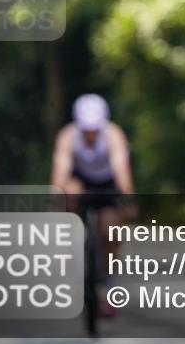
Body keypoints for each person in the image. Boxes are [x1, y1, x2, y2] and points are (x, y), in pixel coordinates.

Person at [51, 93, 135, 314]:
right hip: (81, 181)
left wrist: (126, 198)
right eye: (86, 129)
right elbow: (60, 172)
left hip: (106, 182)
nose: (90, 134)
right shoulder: (68, 136)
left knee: (110, 233)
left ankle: (109, 285)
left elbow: (121, 170)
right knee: (67, 194)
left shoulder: (113, 135)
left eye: (94, 129)